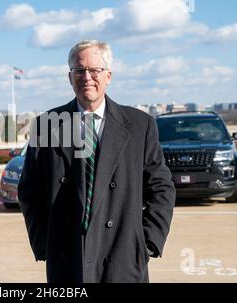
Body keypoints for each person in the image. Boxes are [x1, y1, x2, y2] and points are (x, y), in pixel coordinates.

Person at [18, 40, 176, 283]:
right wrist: (43, 242)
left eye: (95, 70)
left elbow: (161, 187)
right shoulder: (46, 125)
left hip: (123, 257)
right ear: (69, 77)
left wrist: (147, 242)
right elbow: (30, 190)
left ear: (109, 76)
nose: (87, 77)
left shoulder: (140, 125)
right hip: (67, 256)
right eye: (79, 70)